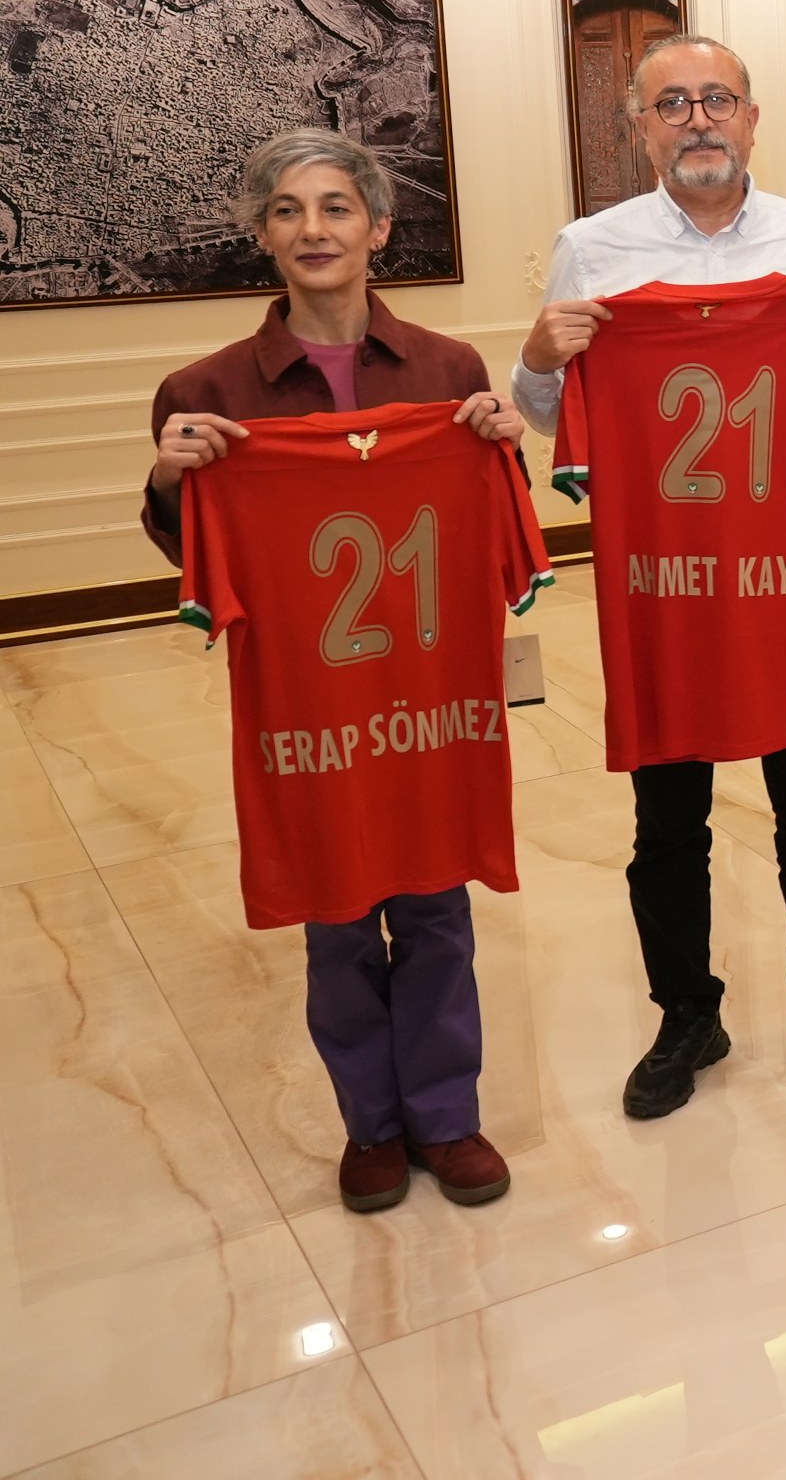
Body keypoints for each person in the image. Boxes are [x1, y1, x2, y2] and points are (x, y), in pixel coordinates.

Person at [512, 34, 786, 1119]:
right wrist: (541, 357)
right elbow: (550, 418)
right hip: (668, 585)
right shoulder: (591, 248)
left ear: (751, 118)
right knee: (668, 819)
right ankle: (686, 1011)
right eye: (673, 103)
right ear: (639, 127)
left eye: (718, 100)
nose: (699, 120)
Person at [144, 128, 525, 1213]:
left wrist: (502, 442)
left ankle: (446, 1116)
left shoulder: (450, 370)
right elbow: (190, 555)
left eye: (336, 208)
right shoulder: (207, 388)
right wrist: (171, 479)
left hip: (430, 693)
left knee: (437, 905)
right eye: (288, 211)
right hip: (309, 704)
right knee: (338, 916)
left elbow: (482, 518)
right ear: (263, 235)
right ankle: (372, 1124)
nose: (313, 230)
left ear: (379, 229)